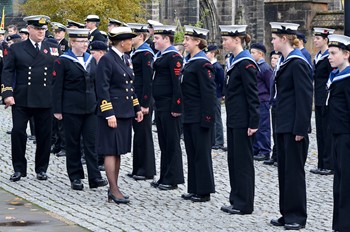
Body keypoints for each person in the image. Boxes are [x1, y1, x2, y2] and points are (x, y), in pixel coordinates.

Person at [1, 15, 60, 182]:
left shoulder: (53, 47)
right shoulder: (17, 48)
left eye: (43, 29)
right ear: (30, 29)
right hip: (22, 98)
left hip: (45, 98)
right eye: (38, 29)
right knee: (18, 132)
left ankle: (41, 168)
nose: (41, 32)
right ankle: (19, 168)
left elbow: (57, 74)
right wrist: (7, 93)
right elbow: (7, 71)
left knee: (44, 135)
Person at [269, 22, 313, 230]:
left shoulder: (298, 63)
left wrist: (300, 129)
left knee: (294, 173)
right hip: (283, 124)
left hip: (294, 126)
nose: (272, 41)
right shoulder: (286, 62)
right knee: (284, 172)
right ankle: (286, 213)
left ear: (284, 39)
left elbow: (304, 98)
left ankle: (296, 215)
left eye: (275, 38)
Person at [52, 28, 107, 190]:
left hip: (90, 108)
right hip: (71, 108)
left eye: (86, 41)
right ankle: (75, 176)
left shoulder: (91, 60)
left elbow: (97, 83)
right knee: (73, 143)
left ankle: (94, 176)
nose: (85, 44)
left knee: (91, 143)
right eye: (81, 42)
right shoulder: (62, 61)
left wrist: (100, 104)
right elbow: (56, 87)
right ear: (72, 43)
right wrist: (57, 109)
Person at [95, 27, 143, 204]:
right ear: (122, 42)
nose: (132, 42)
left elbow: (130, 87)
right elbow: (102, 88)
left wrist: (137, 108)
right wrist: (108, 113)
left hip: (125, 112)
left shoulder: (125, 58)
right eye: (130, 40)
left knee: (118, 151)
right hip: (113, 113)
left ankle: (113, 188)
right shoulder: (107, 59)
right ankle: (114, 189)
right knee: (110, 150)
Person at [219, 25, 259, 215]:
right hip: (234, 118)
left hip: (243, 120)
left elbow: (253, 95)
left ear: (237, 40)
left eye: (225, 39)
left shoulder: (246, 63)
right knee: (234, 160)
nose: (223, 43)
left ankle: (245, 203)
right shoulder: (233, 61)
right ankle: (236, 198)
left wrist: (254, 122)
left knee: (243, 162)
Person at [180, 25, 216, 202]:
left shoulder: (202, 63)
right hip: (189, 115)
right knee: (192, 153)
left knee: (201, 154)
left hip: (199, 116)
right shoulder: (190, 61)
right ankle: (194, 188)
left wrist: (208, 118)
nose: (184, 42)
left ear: (197, 42)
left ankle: (204, 191)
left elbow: (208, 93)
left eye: (188, 39)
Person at [150, 24, 184, 190]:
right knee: (164, 143)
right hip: (161, 105)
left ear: (166, 39)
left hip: (170, 105)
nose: (154, 40)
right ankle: (164, 175)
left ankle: (173, 178)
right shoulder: (161, 56)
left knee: (172, 143)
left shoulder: (173, 57)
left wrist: (177, 106)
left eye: (157, 38)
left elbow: (177, 84)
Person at [327, 33, 350, 232]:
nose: (330, 56)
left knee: (347, 182)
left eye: (333, 53)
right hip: (336, 134)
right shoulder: (335, 76)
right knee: (339, 181)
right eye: (329, 53)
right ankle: (340, 224)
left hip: (346, 137)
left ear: (346, 54)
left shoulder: (348, 79)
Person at [126, 23, 156, 181]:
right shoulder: (136, 53)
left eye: (133, 35)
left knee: (144, 134)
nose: (130, 38)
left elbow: (147, 81)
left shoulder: (146, 54)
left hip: (143, 100)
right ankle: (138, 167)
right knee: (138, 134)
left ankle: (147, 170)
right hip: (135, 98)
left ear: (141, 36)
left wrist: (145, 104)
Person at [310, 28, 335, 176]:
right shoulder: (319, 56)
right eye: (315, 37)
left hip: (326, 98)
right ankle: (321, 162)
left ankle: (328, 163)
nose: (315, 40)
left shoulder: (328, 57)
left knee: (327, 132)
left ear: (325, 40)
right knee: (320, 132)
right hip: (319, 98)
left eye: (318, 38)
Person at [250, 43, 273, 161]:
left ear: (261, 54)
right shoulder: (255, 66)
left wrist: (269, 100)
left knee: (263, 126)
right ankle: (257, 148)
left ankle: (264, 150)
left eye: (253, 52)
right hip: (257, 100)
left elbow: (270, 85)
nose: (251, 54)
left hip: (263, 100)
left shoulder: (265, 67)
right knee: (256, 125)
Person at [205, 45, 225, 151]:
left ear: (212, 53)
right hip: (211, 95)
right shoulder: (208, 65)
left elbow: (221, 81)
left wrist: (221, 94)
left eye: (207, 53)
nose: (205, 54)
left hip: (216, 95)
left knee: (217, 118)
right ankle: (213, 139)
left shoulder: (217, 67)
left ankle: (219, 140)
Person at [263, 50, 282, 166]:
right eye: (272, 58)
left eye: (276, 58)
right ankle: (275, 155)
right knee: (274, 131)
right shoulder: (274, 71)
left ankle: (278, 156)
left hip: (280, 104)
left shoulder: (278, 70)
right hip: (274, 104)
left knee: (278, 131)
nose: (273, 60)